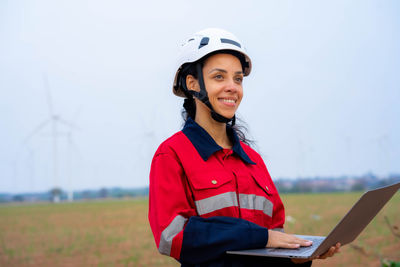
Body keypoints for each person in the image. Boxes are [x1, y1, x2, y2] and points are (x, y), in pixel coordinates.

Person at [148, 28, 340, 267]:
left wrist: (296, 257)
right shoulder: (172, 154)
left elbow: (271, 245)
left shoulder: (254, 160)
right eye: (219, 77)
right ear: (193, 83)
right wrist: (261, 237)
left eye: (238, 79)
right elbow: (173, 237)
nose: (233, 87)